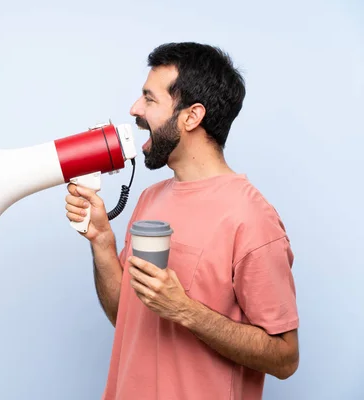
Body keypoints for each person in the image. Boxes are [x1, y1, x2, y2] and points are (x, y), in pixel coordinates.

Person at [65, 42, 299, 400]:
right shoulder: (150, 199)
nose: (134, 109)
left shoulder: (251, 218)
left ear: (191, 117)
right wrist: (101, 240)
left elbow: (285, 357)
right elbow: (125, 317)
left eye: (150, 99)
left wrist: (185, 311)